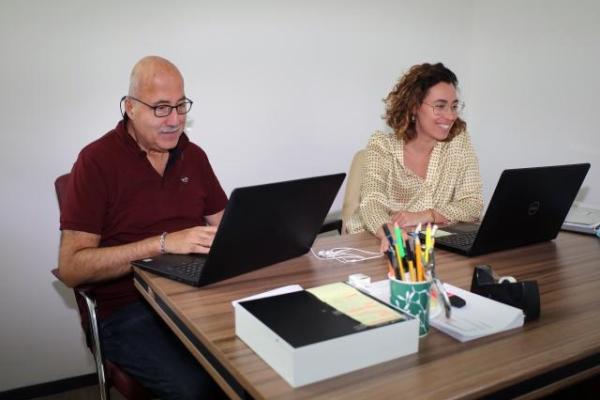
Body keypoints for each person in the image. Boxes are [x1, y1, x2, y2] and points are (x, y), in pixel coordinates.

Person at [58, 56, 227, 399]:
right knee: (198, 388)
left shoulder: (193, 156)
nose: (176, 120)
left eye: (181, 105)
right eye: (161, 108)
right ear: (130, 108)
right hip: (129, 309)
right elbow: (72, 268)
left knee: (257, 363)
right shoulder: (95, 162)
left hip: (195, 294)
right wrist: (163, 244)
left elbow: (226, 228)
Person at [345, 62, 483, 249]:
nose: (450, 116)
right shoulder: (382, 146)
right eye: (440, 106)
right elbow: (372, 202)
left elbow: (473, 204)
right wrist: (389, 230)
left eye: (454, 106)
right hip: (374, 242)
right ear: (414, 107)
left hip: (430, 249)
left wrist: (429, 214)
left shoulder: (458, 143)